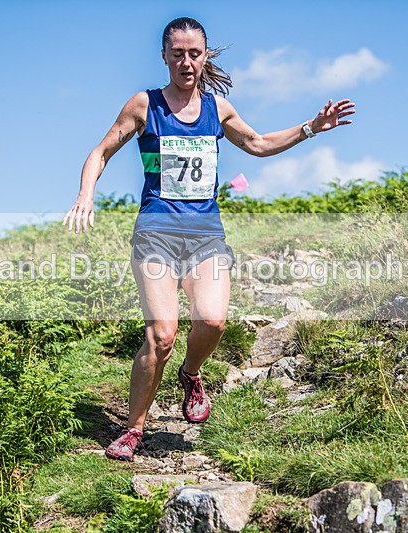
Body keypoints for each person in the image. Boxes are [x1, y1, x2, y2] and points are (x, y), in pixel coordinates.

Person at [62, 17, 355, 461]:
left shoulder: (217, 110)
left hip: (205, 236)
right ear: (164, 56)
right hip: (156, 233)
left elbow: (257, 144)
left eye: (194, 53)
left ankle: (191, 374)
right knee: (161, 334)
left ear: (205, 57)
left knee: (213, 322)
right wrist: (86, 194)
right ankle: (134, 428)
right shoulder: (145, 105)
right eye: (177, 53)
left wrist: (310, 127)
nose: (186, 61)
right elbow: (100, 152)